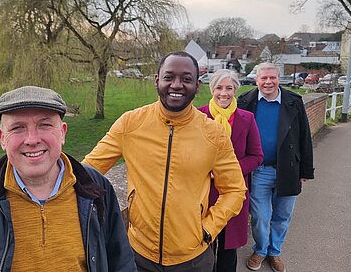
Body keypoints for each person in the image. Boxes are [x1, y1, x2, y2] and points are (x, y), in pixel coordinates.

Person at [0, 86, 136, 272]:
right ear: (2, 138)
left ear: (63, 133)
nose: (32, 139)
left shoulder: (96, 188)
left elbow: (122, 263)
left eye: (45, 125)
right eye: (18, 128)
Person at [83, 51, 247, 272]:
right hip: (137, 253)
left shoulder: (214, 134)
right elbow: (86, 172)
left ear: (197, 86)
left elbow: (235, 190)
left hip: (193, 258)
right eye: (169, 77)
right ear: (157, 80)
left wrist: (209, 228)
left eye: (186, 79)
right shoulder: (130, 124)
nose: (176, 85)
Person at [238, 63, 314, 272]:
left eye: (272, 77)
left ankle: (275, 252)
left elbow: (304, 136)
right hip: (259, 170)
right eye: (263, 78)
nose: (268, 82)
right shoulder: (246, 101)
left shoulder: (293, 102)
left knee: (282, 216)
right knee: (260, 216)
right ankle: (261, 250)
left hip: (288, 169)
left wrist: (306, 170)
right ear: (256, 80)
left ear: (279, 78)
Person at [197, 69, 263, 272]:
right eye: (219, 88)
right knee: (203, 247)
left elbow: (256, 156)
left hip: (232, 192)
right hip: (203, 192)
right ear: (212, 89)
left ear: (235, 90)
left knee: (228, 250)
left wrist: (230, 171)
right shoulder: (198, 116)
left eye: (229, 88)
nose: (223, 93)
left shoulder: (247, 118)